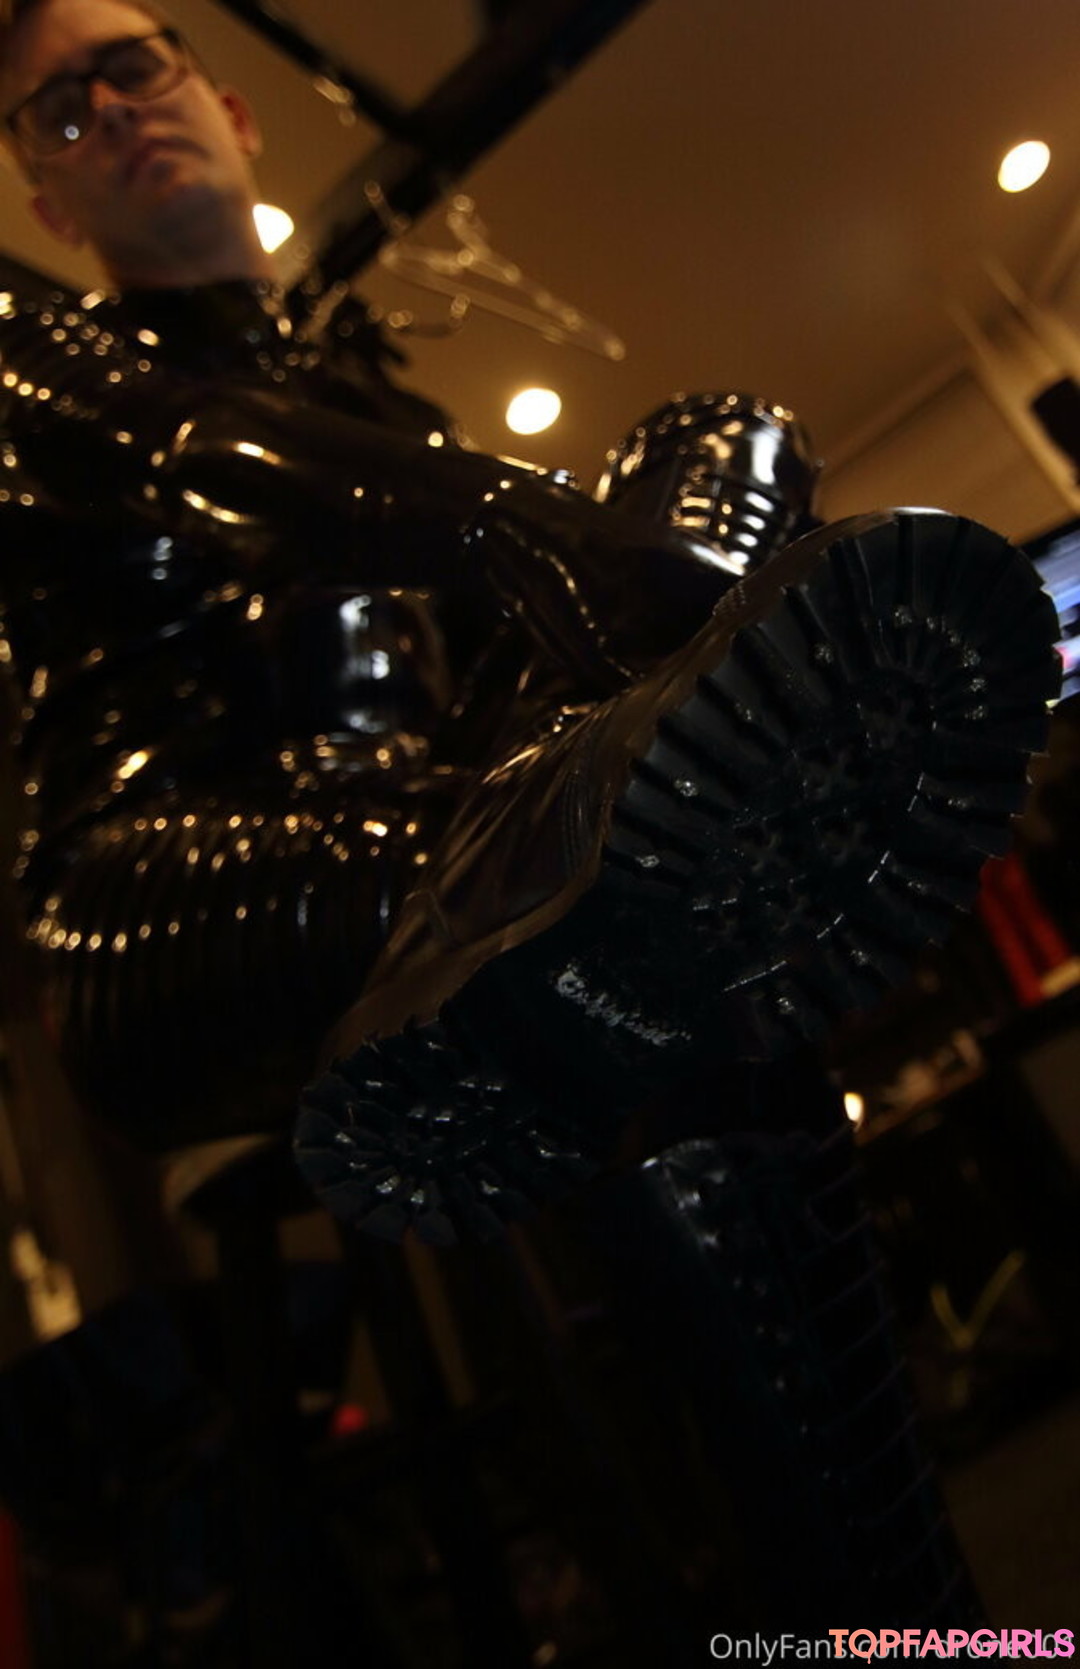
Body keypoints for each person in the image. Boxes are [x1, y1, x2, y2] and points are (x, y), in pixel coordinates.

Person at [0, 0, 1062, 1644]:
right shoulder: (35, 348)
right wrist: (531, 534)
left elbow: (506, 683)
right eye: (58, 112)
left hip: (445, 840)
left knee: (716, 444)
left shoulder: (378, 405)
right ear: (45, 203)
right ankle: (878, 1610)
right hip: (156, 903)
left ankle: (855, 1611)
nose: (113, 108)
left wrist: (628, 627)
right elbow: (187, 449)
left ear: (230, 105)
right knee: (594, 904)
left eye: (132, 63)